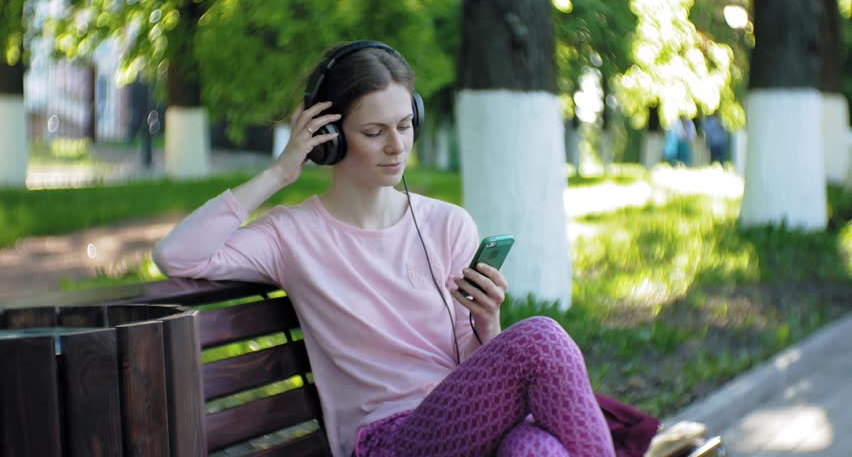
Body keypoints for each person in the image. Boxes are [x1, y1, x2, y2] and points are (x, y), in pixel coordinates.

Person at [153, 41, 653, 457]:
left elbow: (469, 362)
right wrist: (280, 172)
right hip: (387, 440)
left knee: (536, 450)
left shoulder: (447, 224)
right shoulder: (291, 235)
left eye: (405, 125)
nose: (396, 146)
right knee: (541, 337)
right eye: (374, 132)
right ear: (329, 139)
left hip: (462, 424)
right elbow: (178, 255)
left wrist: (487, 324)